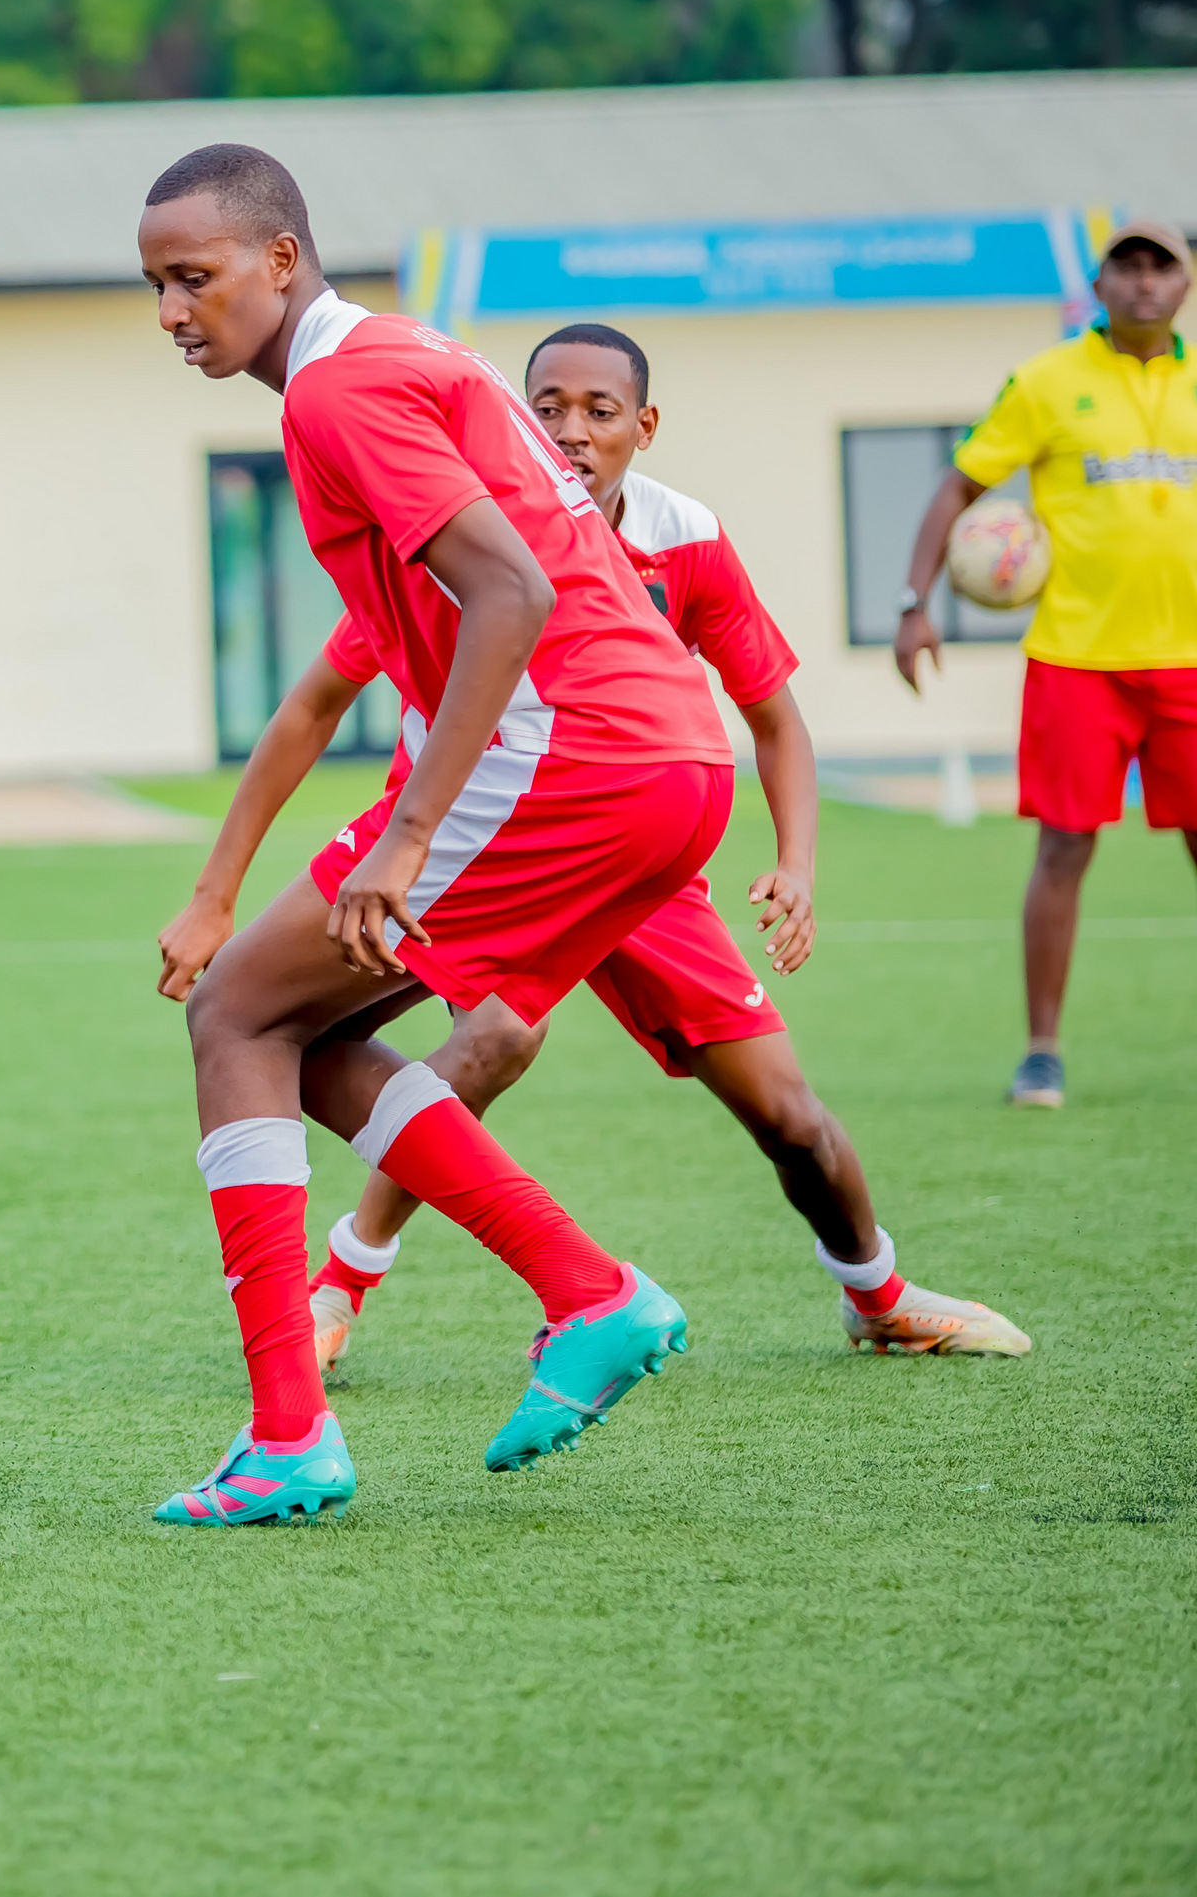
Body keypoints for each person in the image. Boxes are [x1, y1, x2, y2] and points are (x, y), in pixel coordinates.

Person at [161, 323, 1030, 1369]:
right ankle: (346, 1283)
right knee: (486, 1042)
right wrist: (219, 889)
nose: (570, 430)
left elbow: (773, 718)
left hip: (635, 848)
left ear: (643, 426)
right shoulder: (465, 528)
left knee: (788, 1115)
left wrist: (796, 865)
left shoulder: (683, 540)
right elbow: (312, 705)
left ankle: (875, 1291)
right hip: (491, 838)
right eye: (549, 408)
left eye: (599, 411)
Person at [138, 145, 734, 1529]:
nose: (171, 310)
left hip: (570, 753)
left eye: (195, 276)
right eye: (154, 285)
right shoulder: (401, 355)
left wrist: (405, 837)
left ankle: (290, 1435)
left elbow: (512, 594)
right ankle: (585, 1290)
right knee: (301, 1033)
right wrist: (227, 884)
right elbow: (397, 648)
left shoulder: (338, 391)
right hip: (666, 756)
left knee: (235, 1017)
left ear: (281, 260)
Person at [893, 217, 1197, 1108]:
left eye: (1162, 267)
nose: (1144, 282)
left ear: (1184, 285)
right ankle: (1042, 1053)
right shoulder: (1046, 381)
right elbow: (960, 484)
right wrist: (915, 604)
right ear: (1099, 286)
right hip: (1077, 658)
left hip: (1189, 661)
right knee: (1063, 847)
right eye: (1127, 266)